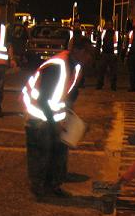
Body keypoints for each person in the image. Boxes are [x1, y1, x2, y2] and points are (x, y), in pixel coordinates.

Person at [21, 36, 94, 198]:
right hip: (37, 114)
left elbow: (67, 96)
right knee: (41, 152)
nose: (89, 57)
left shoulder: (75, 67)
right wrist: (55, 124)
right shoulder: (57, 66)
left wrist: (74, 122)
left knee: (58, 151)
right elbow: (43, 99)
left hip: (52, 114)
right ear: (76, 50)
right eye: (87, 52)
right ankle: (38, 187)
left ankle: (53, 185)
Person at [96, 20, 119, 91]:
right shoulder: (103, 33)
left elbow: (119, 45)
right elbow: (99, 43)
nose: (109, 26)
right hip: (104, 54)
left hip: (112, 55)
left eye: (110, 24)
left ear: (112, 26)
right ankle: (99, 85)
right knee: (101, 70)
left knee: (113, 72)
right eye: (108, 24)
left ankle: (113, 86)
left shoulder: (116, 33)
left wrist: (117, 54)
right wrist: (98, 53)